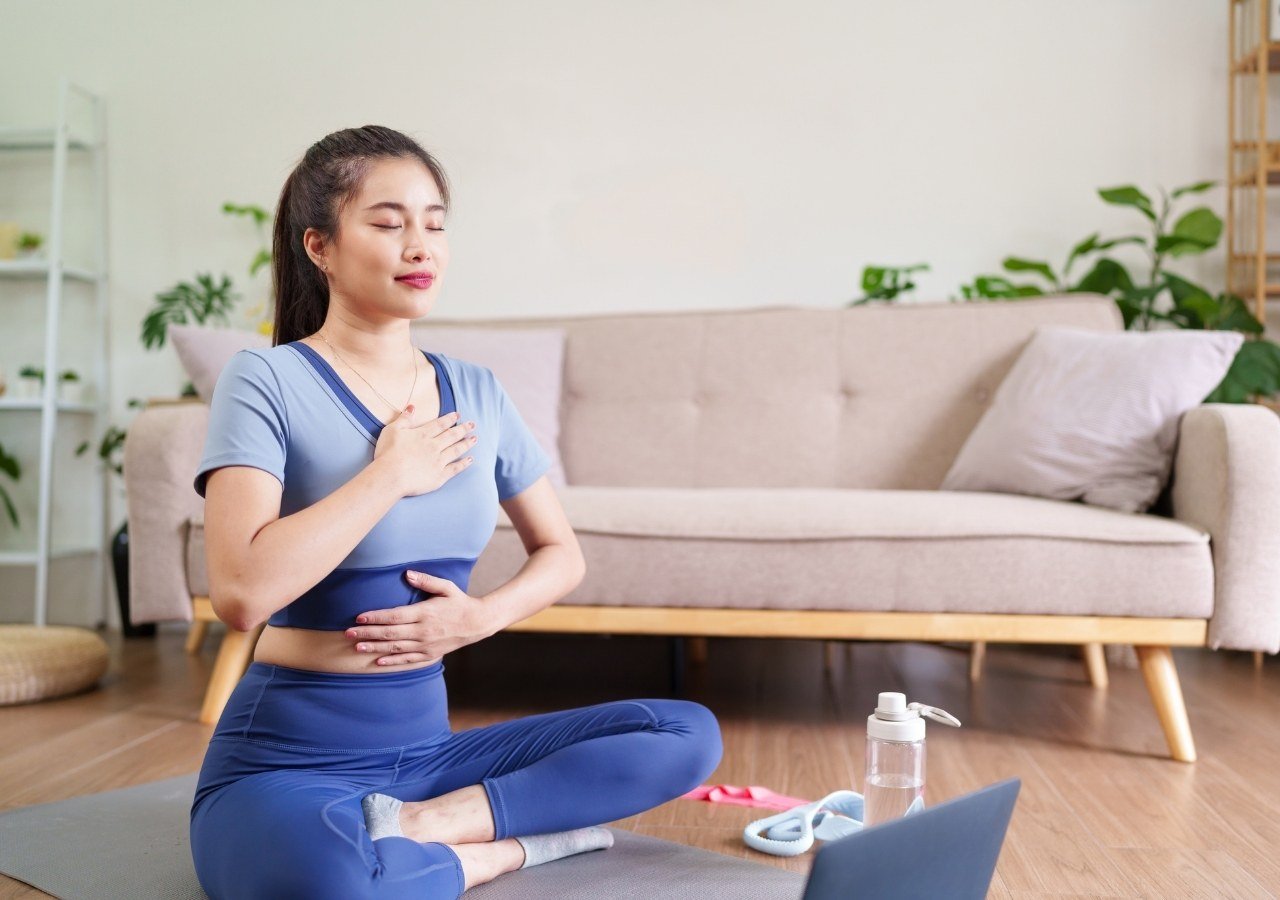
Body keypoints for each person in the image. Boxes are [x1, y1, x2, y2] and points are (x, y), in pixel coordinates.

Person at [187, 124, 723, 898]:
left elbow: (561, 554)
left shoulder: (477, 391)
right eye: (387, 221)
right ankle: (502, 850)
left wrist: (481, 617)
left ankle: (431, 830)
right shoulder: (265, 381)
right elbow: (240, 593)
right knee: (334, 882)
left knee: (685, 734)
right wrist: (389, 475)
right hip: (285, 762)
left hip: (429, 765)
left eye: (434, 224)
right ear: (320, 247)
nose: (420, 246)